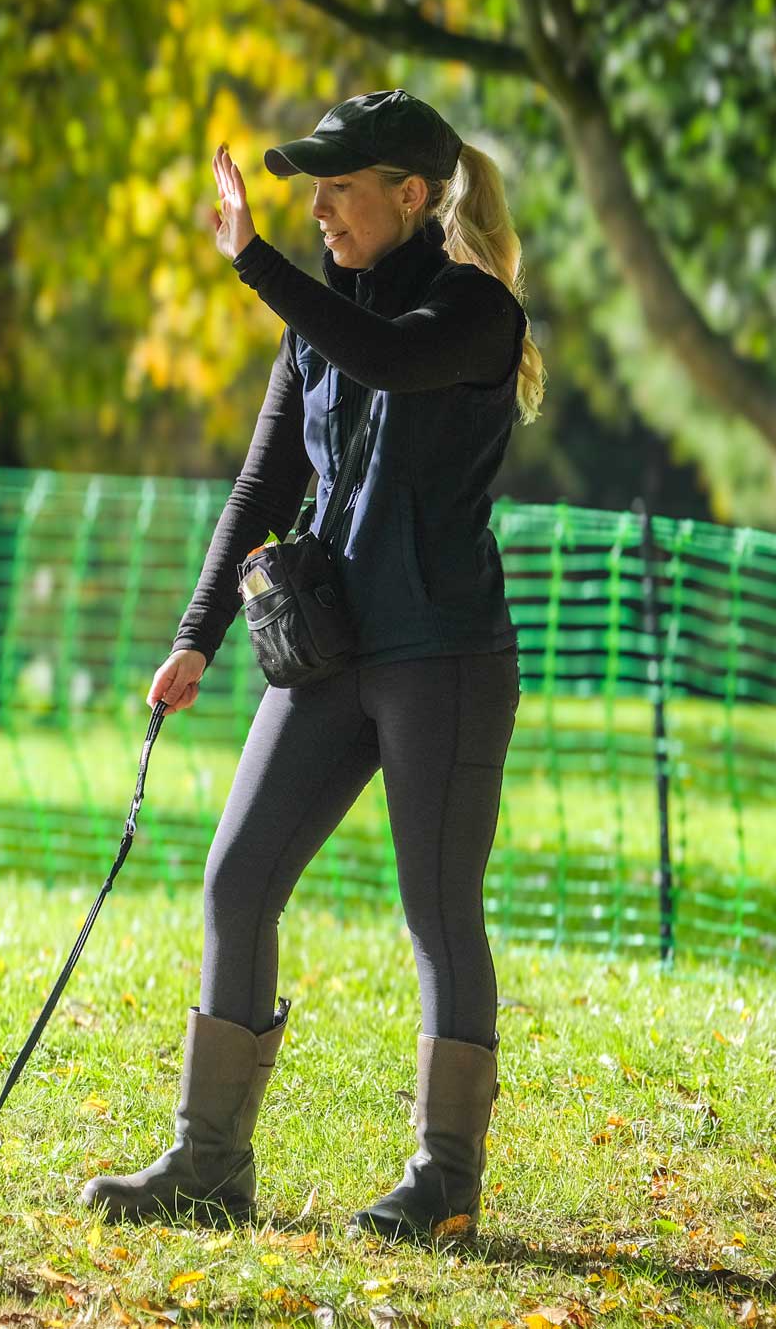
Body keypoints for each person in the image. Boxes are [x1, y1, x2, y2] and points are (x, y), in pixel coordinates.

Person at [80, 89, 547, 1242]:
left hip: (441, 655)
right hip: (330, 652)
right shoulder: (319, 321)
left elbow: (384, 357)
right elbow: (263, 485)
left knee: (438, 912)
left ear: (409, 195)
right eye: (311, 193)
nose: (321, 211)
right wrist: (195, 634)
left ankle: (444, 1180)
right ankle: (207, 1164)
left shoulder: (473, 312)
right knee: (235, 881)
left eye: (340, 191)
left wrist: (252, 259)